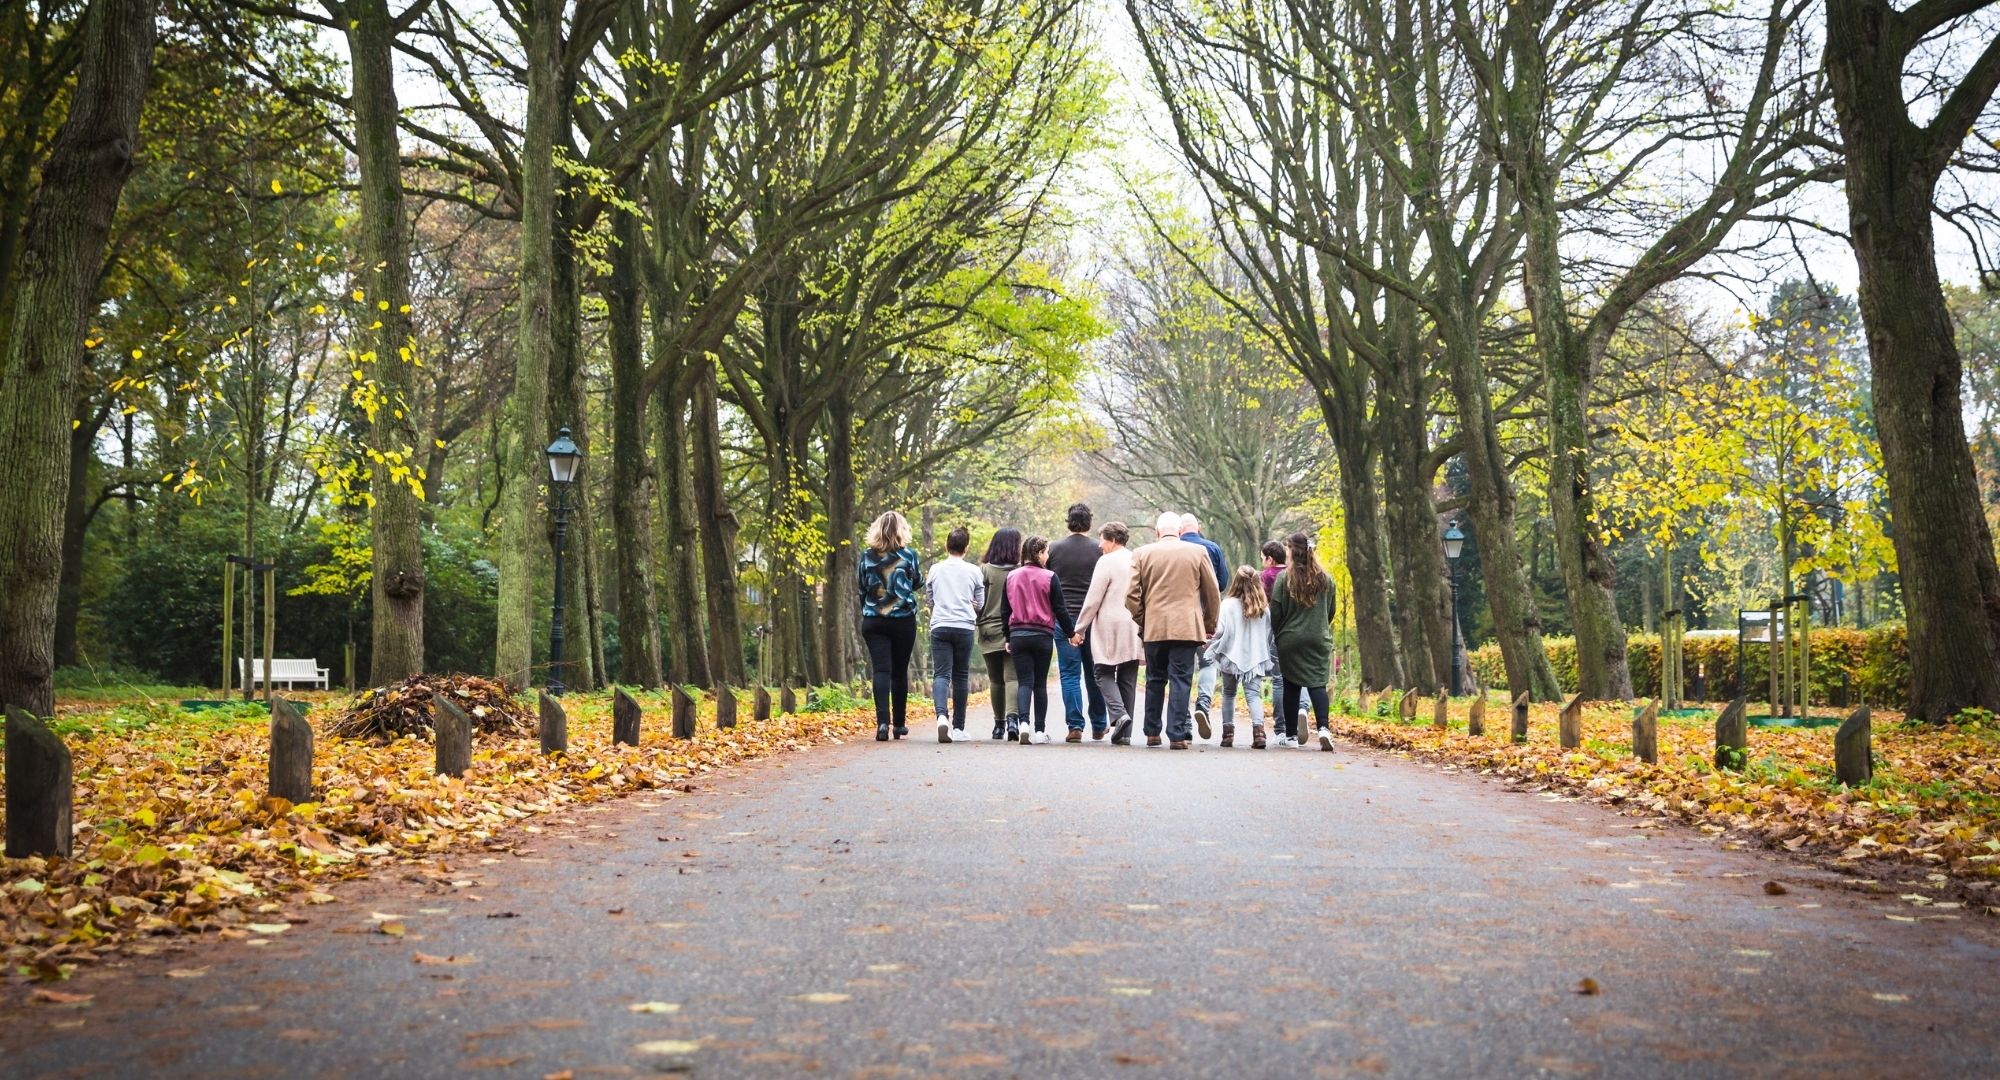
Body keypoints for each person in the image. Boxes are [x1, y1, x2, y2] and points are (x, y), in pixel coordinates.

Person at [1125, 511, 1221, 749]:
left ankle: (1152, 732)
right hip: (1187, 628)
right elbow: (1212, 592)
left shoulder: (1141, 554)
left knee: (1155, 679)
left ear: (1157, 532)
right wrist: (1208, 624)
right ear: (1179, 532)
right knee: (1181, 679)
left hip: (1154, 627)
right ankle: (1177, 734)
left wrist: (1143, 619)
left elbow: (1131, 595)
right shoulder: (1197, 553)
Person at [999, 535, 1075, 744]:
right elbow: (1060, 609)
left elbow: (1004, 611)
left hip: (1018, 635)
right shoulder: (1050, 577)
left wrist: (1008, 636)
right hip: (1042, 635)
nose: (1048, 555)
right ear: (1039, 553)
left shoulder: (1011, 577)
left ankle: (1024, 724)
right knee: (1039, 684)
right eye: (1046, 551)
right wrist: (1071, 634)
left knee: (1024, 682)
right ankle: (1040, 731)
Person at [1074, 520, 1141, 745]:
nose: (1100, 544)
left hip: (1110, 625)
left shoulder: (1106, 561)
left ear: (1113, 540)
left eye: (1102, 539)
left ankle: (1119, 714)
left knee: (1101, 671)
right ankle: (1125, 734)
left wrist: (1080, 628)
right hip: (1133, 623)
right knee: (1128, 676)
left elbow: (1093, 599)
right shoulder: (1136, 558)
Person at [858, 511, 922, 741]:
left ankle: (882, 723)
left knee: (881, 670)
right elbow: (917, 582)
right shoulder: (909, 555)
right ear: (902, 531)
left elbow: (862, 587)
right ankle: (900, 724)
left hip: (874, 619)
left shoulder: (866, 556)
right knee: (899, 672)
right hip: (903, 620)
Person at [1047, 503, 1109, 741]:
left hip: (1064, 620)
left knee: (1069, 674)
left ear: (1068, 521)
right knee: (1096, 672)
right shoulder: (1099, 549)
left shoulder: (1054, 549)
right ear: (1089, 522)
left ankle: (1075, 726)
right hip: (1093, 619)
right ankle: (1099, 724)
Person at [1270, 530, 1337, 750]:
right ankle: (1324, 729)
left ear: (1292, 551)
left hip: (1290, 639)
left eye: (1287, 548)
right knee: (1318, 683)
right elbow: (1330, 611)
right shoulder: (1326, 579)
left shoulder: (1284, 578)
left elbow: (1276, 611)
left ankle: (1290, 737)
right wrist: (1319, 628)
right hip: (1318, 638)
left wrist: (1279, 634)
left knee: (1291, 685)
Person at [1204, 566, 1277, 748]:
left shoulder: (1227, 605)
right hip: (1255, 658)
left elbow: (1219, 630)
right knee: (1253, 695)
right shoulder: (1263, 608)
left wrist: (1211, 641)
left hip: (1230, 656)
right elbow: (1269, 634)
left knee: (1229, 694)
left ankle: (1227, 735)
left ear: (1235, 582)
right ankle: (1259, 733)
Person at [926, 526, 984, 743]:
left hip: (940, 625)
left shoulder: (935, 569)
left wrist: (939, 609)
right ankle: (959, 728)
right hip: (964, 627)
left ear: (946, 546)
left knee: (941, 674)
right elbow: (980, 603)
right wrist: (971, 607)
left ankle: (942, 717)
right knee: (961, 675)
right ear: (966, 548)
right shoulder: (974, 571)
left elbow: (930, 598)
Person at [1179, 514, 1227, 739]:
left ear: (1179, 530)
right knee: (1208, 663)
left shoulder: (1172, 548)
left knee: (1181, 669)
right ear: (1198, 528)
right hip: (1206, 616)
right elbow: (1223, 583)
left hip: (1179, 619)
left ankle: (1185, 721)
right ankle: (1203, 705)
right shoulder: (1213, 548)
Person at [975, 528, 1023, 740]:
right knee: (1012, 678)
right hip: (1014, 629)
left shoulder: (983, 571)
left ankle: (998, 725)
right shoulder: (1020, 571)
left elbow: (976, 602)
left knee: (995, 680)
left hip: (988, 630)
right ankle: (1013, 720)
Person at [1260, 539, 1290, 729]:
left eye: (1263, 558)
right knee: (1299, 677)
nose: (1263, 562)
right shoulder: (1294, 574)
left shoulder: (1266, 576)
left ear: (1270, 559)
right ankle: (1301, 711)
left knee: (1278, 680)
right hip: (1296, 627)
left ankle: (1281, 726)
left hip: (1274, 629)